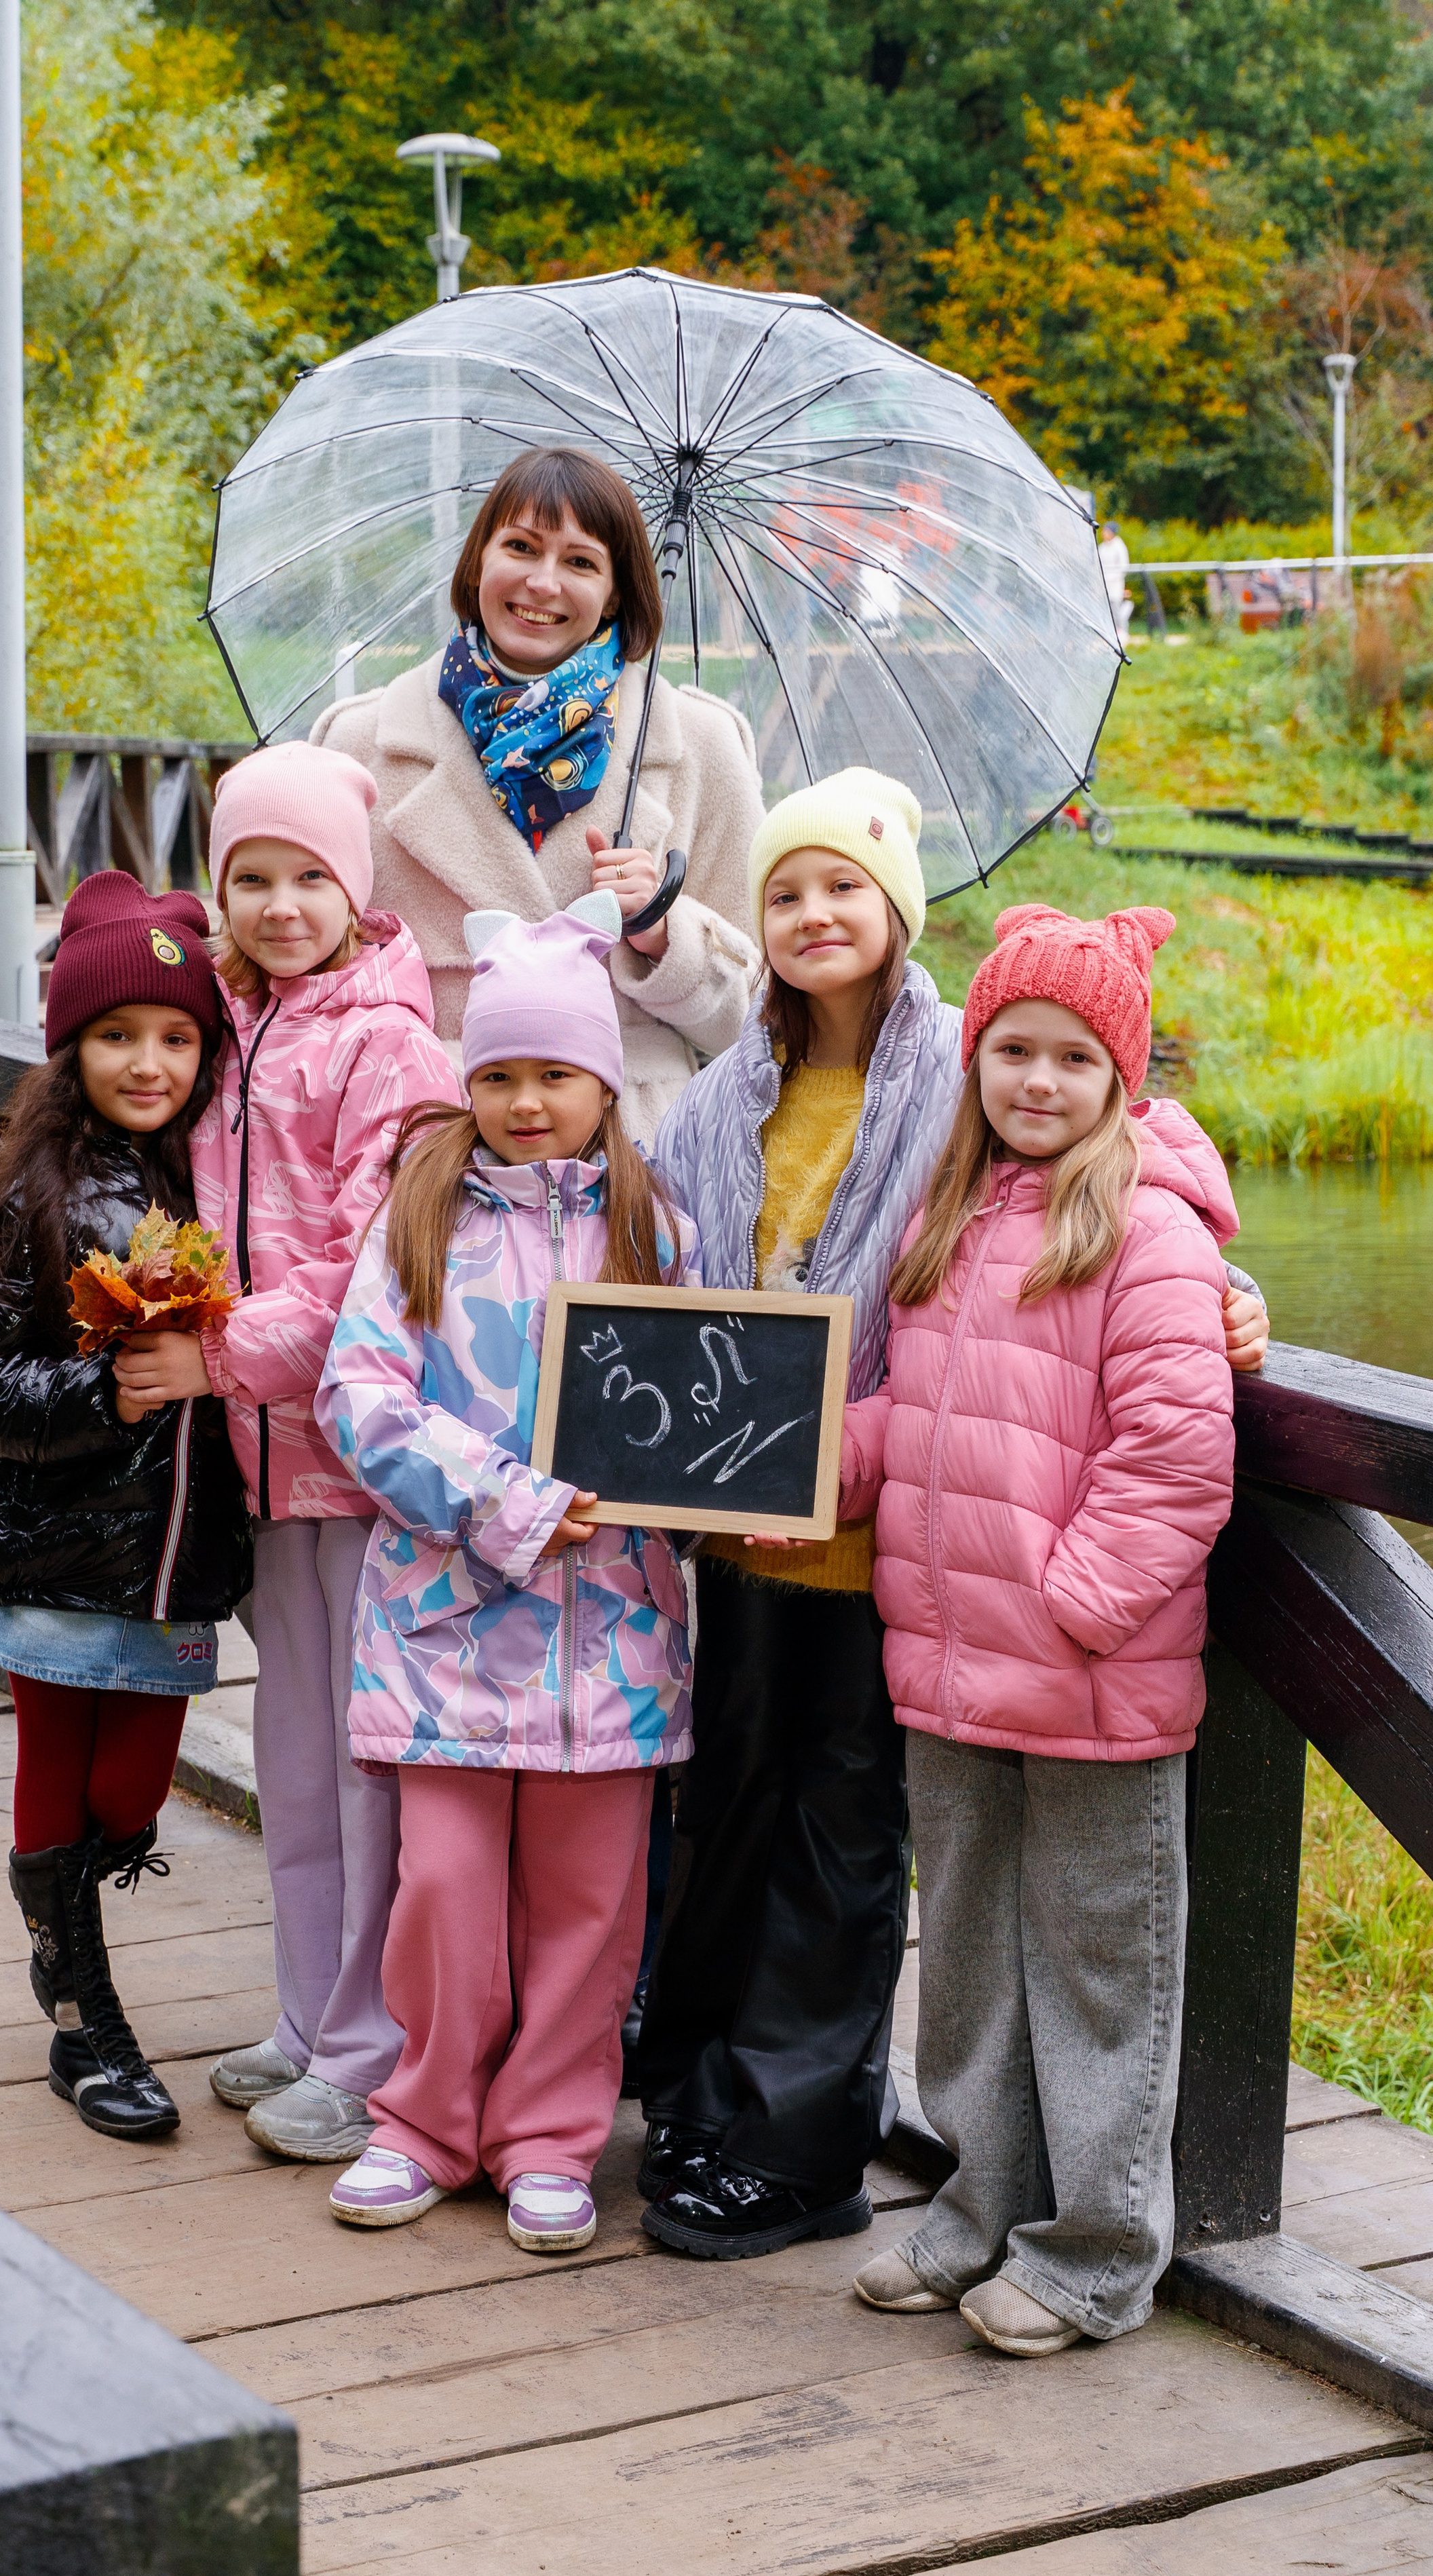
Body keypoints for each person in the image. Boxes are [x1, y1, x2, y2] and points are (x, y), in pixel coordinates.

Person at [634, 772, 1272, 2260]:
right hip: (770, 1523)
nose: (809, 916)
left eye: (841, 888)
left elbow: (1140, 1339)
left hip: (936, 1579)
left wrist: (1076, 1586)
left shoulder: (963, 1104)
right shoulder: (738, 1085)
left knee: (852, 1847)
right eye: (783, 891)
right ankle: (717, 2097)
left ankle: (813, 2146)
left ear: (898, 910)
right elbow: (729, 1298)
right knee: (737, 1815)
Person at [845, 904, 1236, 2355]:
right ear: (975, 1058)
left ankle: (1093, 2249)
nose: (1035, 1080)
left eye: (1073, 1056)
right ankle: (976, 2207)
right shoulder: (949, 1217)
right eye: (1011, 1048)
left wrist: (1070, 1607)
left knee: (1095, 1964)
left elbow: (1173, 1458)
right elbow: (933, 1415)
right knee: (961, 1961)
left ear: (1118, 1076)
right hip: (950, 1670)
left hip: (1085, 1677)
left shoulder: (1144, 1232)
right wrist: (827, 1456)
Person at [314, 893, 698, 2254]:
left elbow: (710, 1409)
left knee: (592, 1909)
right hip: (444, 1635)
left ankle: (548, 2133)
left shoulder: (659, 1234)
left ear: (602, 1081)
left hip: (614, 1642)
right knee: (447, 1889)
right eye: (497, 1075)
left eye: (553, 1075)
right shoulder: (420, 1225)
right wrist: (509, 1503)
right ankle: (422, 2119)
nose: (524, 1101)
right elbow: (357, 1398)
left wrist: (722, 1495)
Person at [114, 744, 462, 2166]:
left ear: (352, 886)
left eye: (305, 877)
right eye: (247, 877)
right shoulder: (234, 1024)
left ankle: (377, 2049)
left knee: (371, 1767)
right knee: (296, 1760)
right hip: (263, 1464)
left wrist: (225, 1353)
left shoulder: (388, 1039)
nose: (276, 904)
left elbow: (384, 1257)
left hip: (360, 1457)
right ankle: (308, 2015)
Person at [0, 871, 253, 2142]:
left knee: (132, 1795)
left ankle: (58, 1917)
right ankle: (85, 2012)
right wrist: (106, 1396)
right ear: (70, 1049)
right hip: (57, 1555)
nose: (149, 1061)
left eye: (177, 1037)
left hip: (177, 1563)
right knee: (57, 1774)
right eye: (118, 1036)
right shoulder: (43, 1194)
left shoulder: (226, 1180)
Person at [311, 444, 764, 1145]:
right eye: (521, 547)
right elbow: (302, 979)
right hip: (421, 1142)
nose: (542, 583)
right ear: (478, 562)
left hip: (634, 1159)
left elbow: (756, 1016)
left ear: (615, 592)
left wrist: (660, 932)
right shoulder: (361, 744)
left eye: (580, 562)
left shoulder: (700, 744)